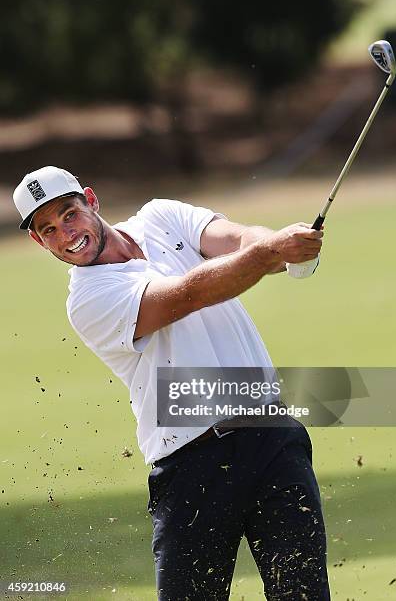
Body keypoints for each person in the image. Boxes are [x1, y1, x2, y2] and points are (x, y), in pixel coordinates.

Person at [13, 166, 329, 600]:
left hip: (272, 436)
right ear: (37, 239)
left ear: (91, 199)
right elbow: (188, 294)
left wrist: (286, 248)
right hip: (192, 465)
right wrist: (270, 252)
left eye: (70, 214)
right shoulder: (88, 300)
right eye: (48, 229)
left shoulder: (161, 217)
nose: (67, 234)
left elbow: (239, 240)